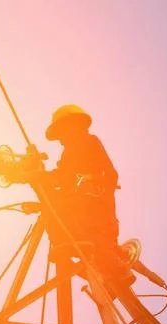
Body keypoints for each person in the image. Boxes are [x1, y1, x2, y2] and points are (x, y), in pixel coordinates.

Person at [39, 104, 120, 270]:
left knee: (54, 207)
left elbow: (64, 177)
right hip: (89, 211)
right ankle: (68, 247)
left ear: (71, 126)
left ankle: (69, 246)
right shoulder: (73, 149)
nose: (60, 140)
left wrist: (40, 176)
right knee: (50, 206)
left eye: (60, 133)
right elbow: (63, 177)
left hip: (92, 208)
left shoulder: (86, 143)